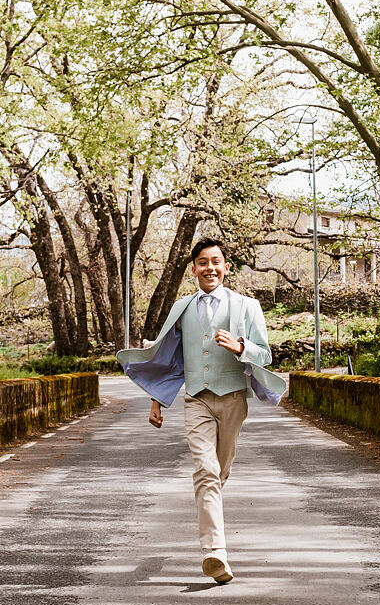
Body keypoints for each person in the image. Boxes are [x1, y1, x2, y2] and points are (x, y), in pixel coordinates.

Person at [116, 238, 286, 584]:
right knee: (206, 472)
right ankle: (215, 552)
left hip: (233, 399)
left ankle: (214, 535)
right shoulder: (181, 308)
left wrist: (241, 346)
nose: (209, 268)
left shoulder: (246, 306)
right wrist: (157, 399)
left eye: (216, 262)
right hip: (196, 399)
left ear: (227, 267)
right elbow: (171, 359)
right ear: (193, 269)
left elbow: (265, 356)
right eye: (202, 262)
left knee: (219, 474)